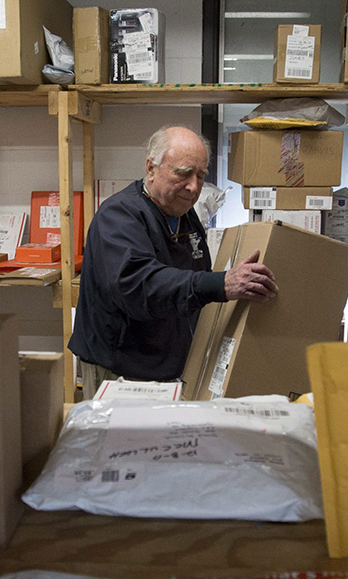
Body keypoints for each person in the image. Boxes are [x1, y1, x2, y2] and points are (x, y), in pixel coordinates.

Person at [68, 125, 278, 399]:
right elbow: (140, 286)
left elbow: (194, 283)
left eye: (201, 176)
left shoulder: (185, 216)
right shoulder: (119, 216)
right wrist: (222, 284)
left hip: (169, 367)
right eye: (183, 173)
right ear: (151, 168)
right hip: (121, 371)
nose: (193, 186)